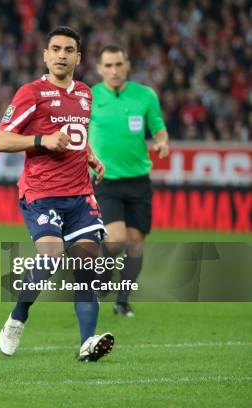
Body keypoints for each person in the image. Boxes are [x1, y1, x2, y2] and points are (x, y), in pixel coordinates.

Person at [0, 26, 114, 362]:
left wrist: (91, 155)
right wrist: (40, 140)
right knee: (49, 257)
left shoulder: (86, 94)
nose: (62, 55)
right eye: (56, 49)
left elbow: (77, 135)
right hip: (41, 194)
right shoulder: (30, 93)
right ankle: (19, 315)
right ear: (45, 55)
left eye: (69, 50)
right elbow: (1, 140)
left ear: (79, 56)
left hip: (79, 196)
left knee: (87, 267)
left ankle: (88, 343)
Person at [89, 44, 169, 317]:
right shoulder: (89, 97)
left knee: (135, 243)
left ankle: (122, 300)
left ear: (127, 65)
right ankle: (100, 284)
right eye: (108, 65)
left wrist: (161, 142)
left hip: (138, 181)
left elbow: (157, 126)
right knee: (116, 239)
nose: (114, 70)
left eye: (118, 64)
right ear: (99, 68)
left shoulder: (145, 96)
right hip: (105, 180)